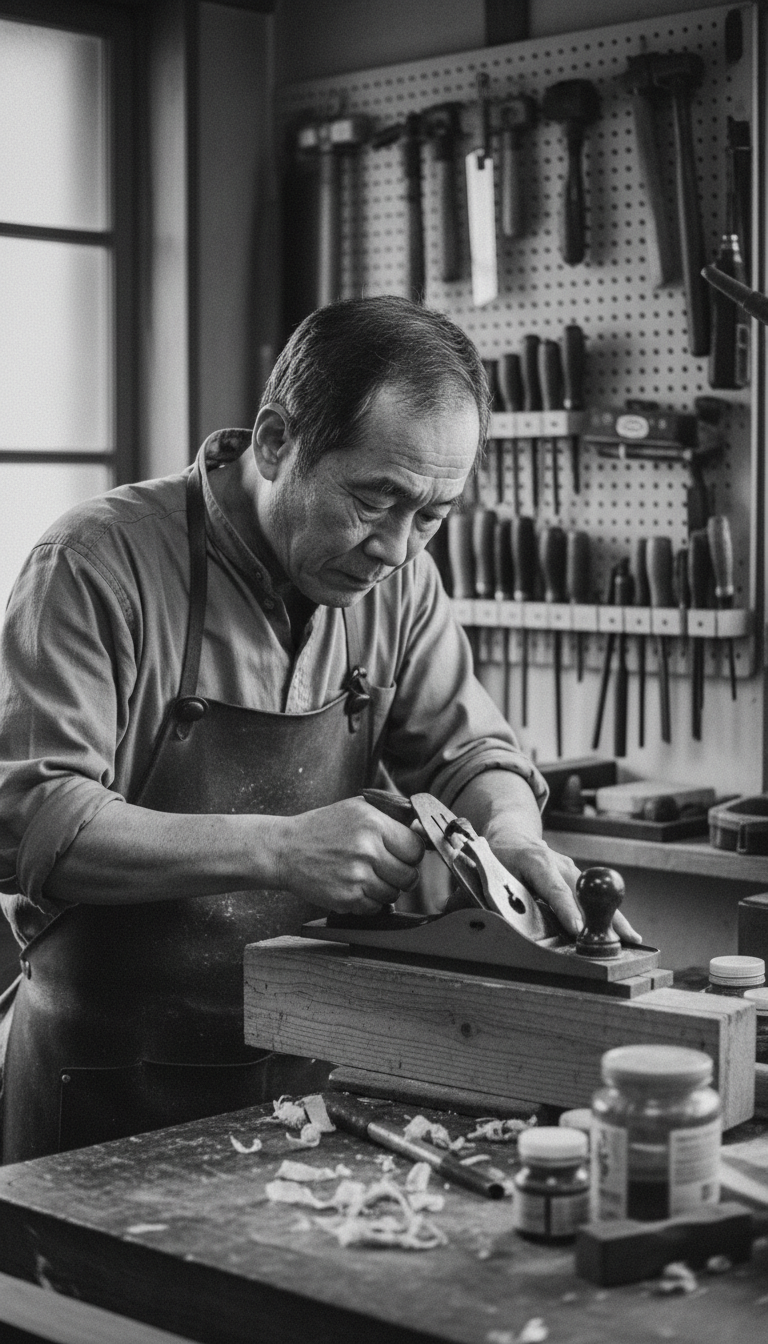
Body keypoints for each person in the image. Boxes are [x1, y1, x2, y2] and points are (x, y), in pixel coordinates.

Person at [0, 296, 639, 1163]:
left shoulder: (399, 583)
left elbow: (471, 753)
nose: (399, 548)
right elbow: (33, 824)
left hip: (310, 1079)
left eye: (434, 515)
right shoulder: (92, 565)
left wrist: (509, 836)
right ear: (274, 440)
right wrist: (281, 849)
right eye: (375, 501)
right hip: (103, 1081)